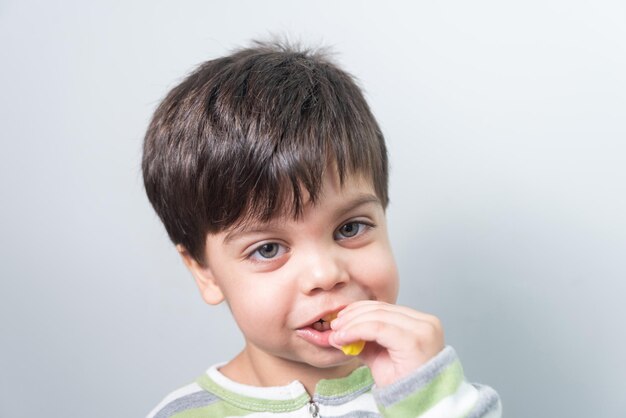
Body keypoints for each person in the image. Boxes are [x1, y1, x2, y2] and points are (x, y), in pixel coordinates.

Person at [143, 40, 502, 417]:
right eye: (268, 249)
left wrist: (429, 397)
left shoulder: (440, 400)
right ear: (205, 272)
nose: (325, 274)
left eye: (349, 228)